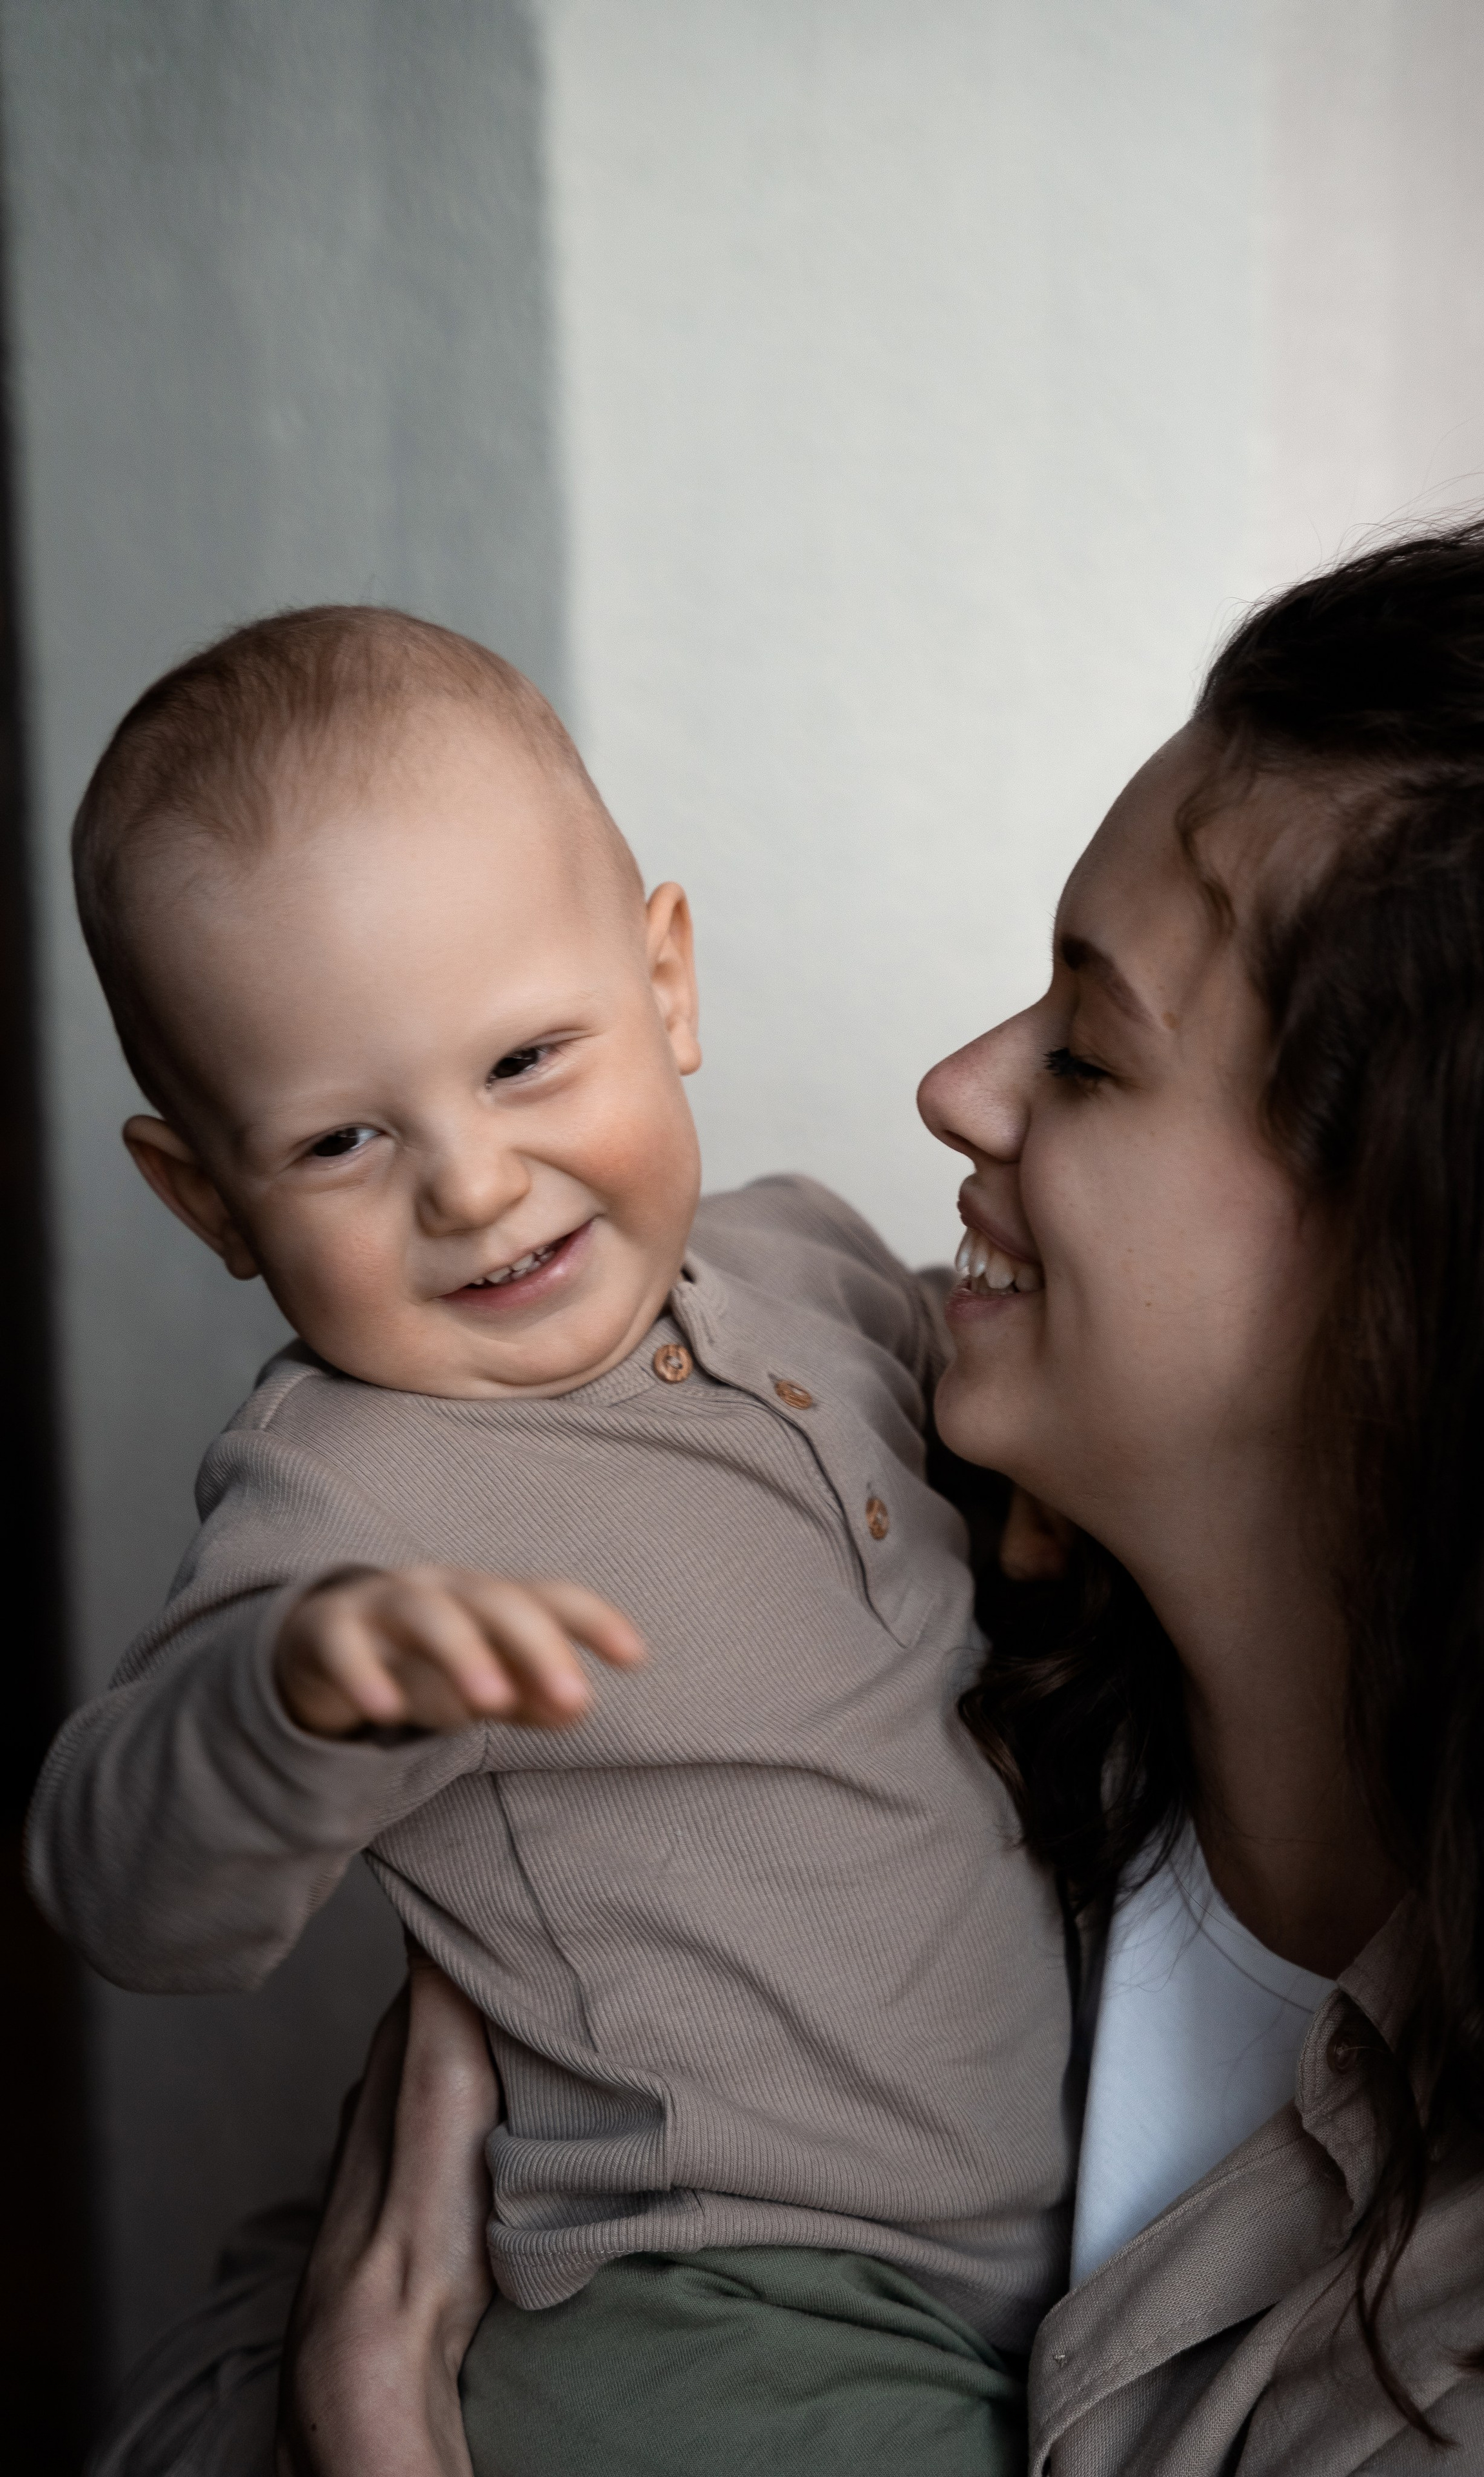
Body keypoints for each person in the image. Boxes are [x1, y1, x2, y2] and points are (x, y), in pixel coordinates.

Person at [230, 506, 1484, 2474]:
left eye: (1087, 1051)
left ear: (1422, 1257)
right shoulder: (838, 1622)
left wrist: (367, 2429)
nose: (958, 1086)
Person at [28, 607, 1077, 2476]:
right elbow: (116, 1881)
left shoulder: (810, 1262)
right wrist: (288, 1696)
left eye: (525, 1061)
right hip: (708, 2295)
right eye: (345, 1140)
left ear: (665, 981)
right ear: (207, 1198)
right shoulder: (350, 1482)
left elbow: (1022, 1430)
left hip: (1008, 2271)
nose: (473, 1181)